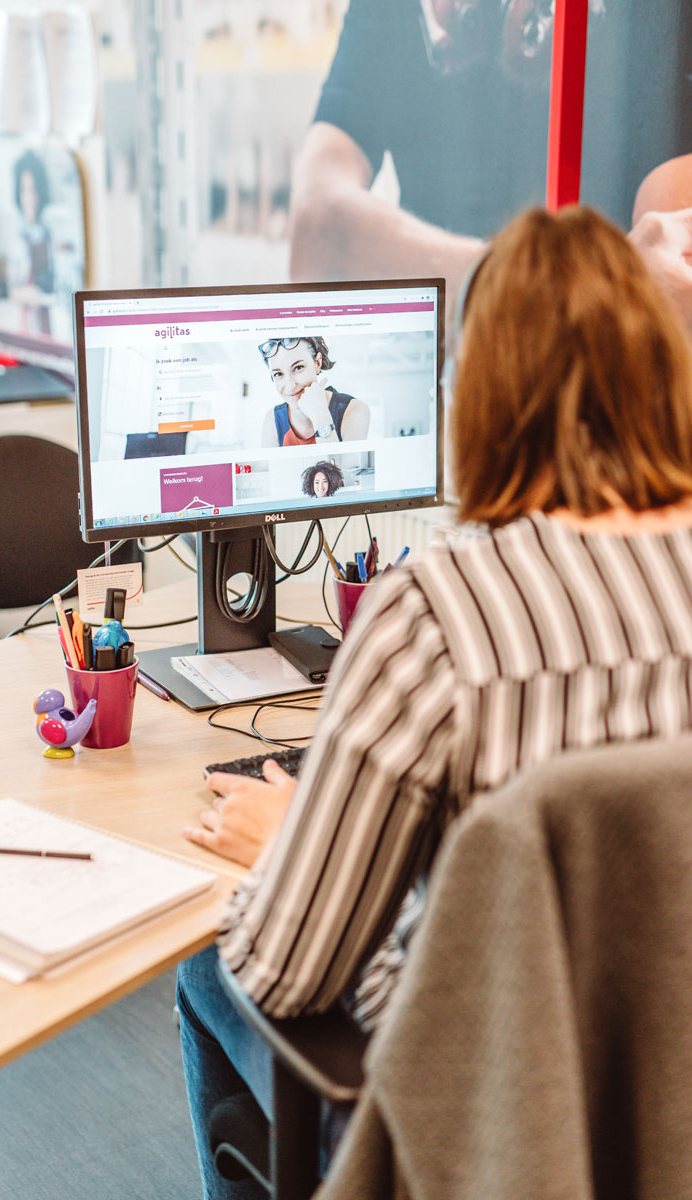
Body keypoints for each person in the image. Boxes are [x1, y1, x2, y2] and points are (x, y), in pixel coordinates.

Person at [177, 204, 692, 1198]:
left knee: (211, 973)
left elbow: (290, 972)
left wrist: (284, 844)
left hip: (500, 1125)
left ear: (479, 399)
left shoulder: (439, 616)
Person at [288, 0, 692, 329]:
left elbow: (673, 295)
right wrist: (554, 288)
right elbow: (318, 234)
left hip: (591, 411)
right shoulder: (392, 10)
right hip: (456, 398)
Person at [258, 335, 370, 447]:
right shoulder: (272, 419)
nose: (290, 386)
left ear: (317, 363)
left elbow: (344, 464)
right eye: (278, 374)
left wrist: (321, 416)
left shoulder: (354, 410)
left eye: (298, 368)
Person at [11, 149, 55, 334]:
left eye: (34, 190)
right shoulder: (17, 240)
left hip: (49, 321)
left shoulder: (50, 235)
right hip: (26, 323)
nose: (31, 199)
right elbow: (10, 290)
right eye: (25, 191)